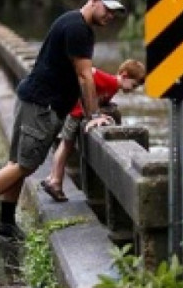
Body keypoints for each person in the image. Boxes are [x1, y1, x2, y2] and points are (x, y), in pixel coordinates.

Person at [0, 0, 125, 242]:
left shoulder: (72, 22)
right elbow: (85, 77)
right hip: (42, 106)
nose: (110, 15)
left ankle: (5, 222)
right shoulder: (78, 29)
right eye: (107, 8)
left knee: (18, 163)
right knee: (25, 164)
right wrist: (94, 116)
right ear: (93, 0)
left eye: (115, 12)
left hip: (33, 99)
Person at [39, 59, 146, 202]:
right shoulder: (109, 81)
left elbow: (100, 98)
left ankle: (52, 178)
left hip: (79, 114)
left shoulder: (114, 87)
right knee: (65, 146)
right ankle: (55, 181)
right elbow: (89, 75)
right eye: (133, 85)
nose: (132, 89)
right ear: (124, 75)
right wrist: (92, 114)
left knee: (66, 146)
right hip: (75, 113)